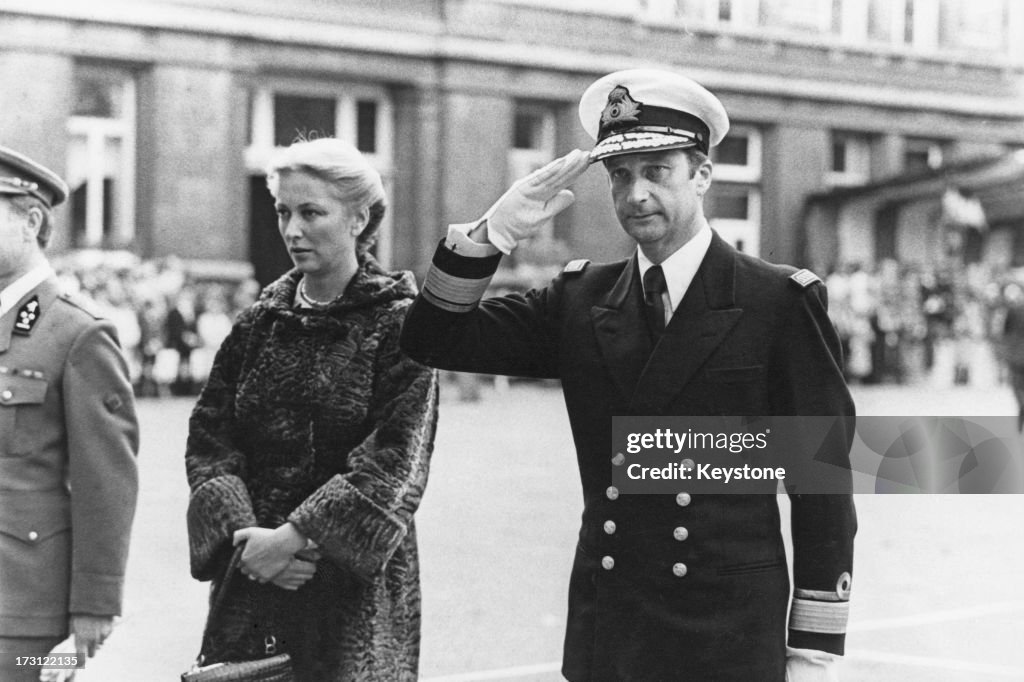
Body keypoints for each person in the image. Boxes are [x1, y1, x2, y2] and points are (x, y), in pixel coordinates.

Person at [400, 69, 856, 681]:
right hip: (612, 624)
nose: (636, 194)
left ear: (702, 175)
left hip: (727, 631)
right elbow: (433, 338)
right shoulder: (582, 299)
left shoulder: (778, 300)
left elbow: (822, 480)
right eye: (620, 175)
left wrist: (813, 648)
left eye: (657, 171)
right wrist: (493, 234)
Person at [184, 137, 438, 681]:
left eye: (311, 212)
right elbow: (209, 438)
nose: (292, 230)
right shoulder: (258, 322)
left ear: (359, 218)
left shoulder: (400, 323)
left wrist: (296, 538)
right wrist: (246, 539)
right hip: (253, 575)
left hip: (350, 594)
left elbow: (397, 461)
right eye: (282, 211)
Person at [0, 146, 139, 680]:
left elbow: (106, 482)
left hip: (23, 610)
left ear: (31, 220)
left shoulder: (77, 333)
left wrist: (95, 606)